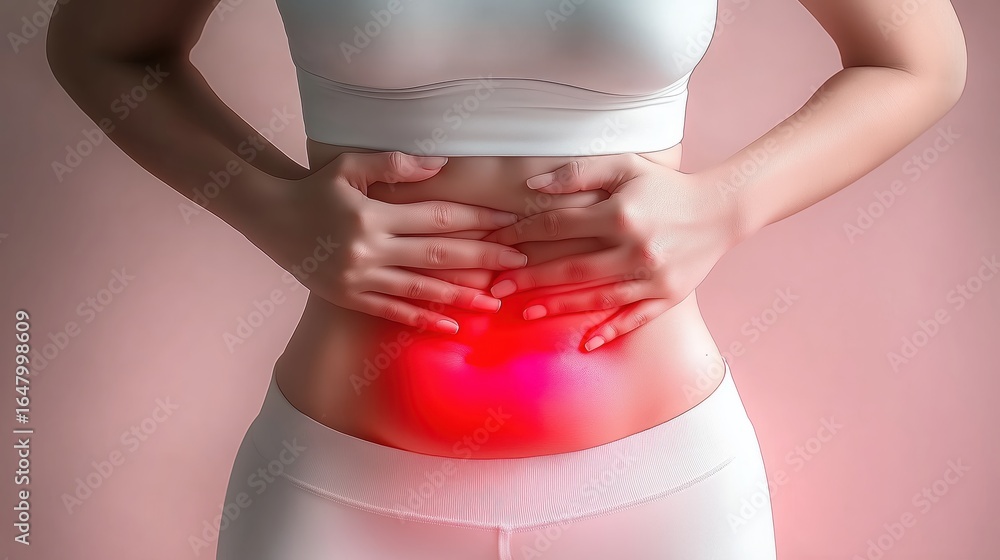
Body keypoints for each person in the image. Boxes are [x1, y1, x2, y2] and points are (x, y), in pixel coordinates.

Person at [46, 0, 967, 558]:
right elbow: (101, 43)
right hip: (336, 498)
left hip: (659, 500)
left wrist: (724, 204)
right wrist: (268, 207)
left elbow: (919, 57)